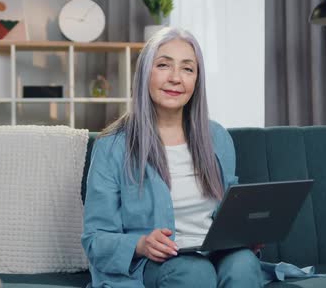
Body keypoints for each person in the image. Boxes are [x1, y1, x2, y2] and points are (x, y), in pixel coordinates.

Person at [81, 27, 264, 288]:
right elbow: (95, 238)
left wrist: (243, 233)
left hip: (215, 254)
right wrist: (141, 245)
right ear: (144, 73)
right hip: (154, 266)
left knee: (245, 264)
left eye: (188, 69)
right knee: (195, 273)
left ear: (197, 81)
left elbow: (227, 211)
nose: (176, 78)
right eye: (164, 65)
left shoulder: (218, 138)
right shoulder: (112, 146)